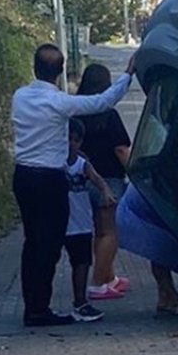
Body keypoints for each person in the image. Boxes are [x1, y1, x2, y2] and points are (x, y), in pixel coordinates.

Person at [10, 44, 134, 328]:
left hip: (23, 176)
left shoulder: (19, 97)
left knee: (33, 243)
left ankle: (34, 305)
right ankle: (40, 311)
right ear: (61, 70)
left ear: (34, 67)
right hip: (50, 179)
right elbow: (102, 102)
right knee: (50, 245)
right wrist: (127, 75)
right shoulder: (59, 103)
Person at [76, 64, 134, 301]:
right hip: (109, 179)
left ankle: (109, 277)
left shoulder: (76, 111)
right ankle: (99, 283)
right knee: (110, 232)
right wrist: (134, 172)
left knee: (98, 232)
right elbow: (121, 149)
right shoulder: (109, 115)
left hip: (83, 179)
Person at [117, 182, 178, 317]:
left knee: (159, 250)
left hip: (145, 197)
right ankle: (171, 298)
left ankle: (165, 298)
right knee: (160, 250)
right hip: (148, 200)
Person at [62, 119, 117, 322]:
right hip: (60, 221)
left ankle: (80, 302)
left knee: (82, 263)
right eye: (67, 138)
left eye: (75, 140)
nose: (71, 144)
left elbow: (97, 179)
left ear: (81, 142)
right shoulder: (52, 162)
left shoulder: (82, 164)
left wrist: (106, 191)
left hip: (80, 223)